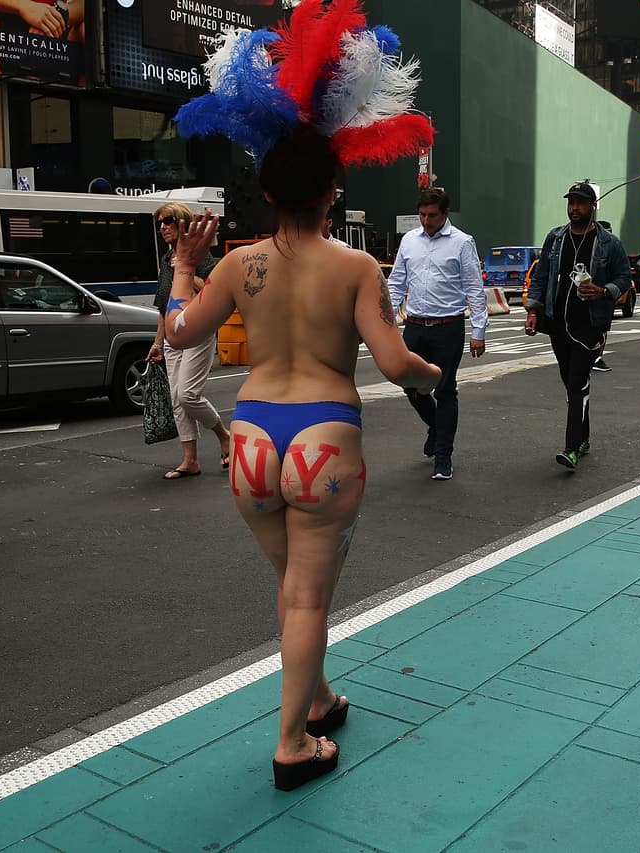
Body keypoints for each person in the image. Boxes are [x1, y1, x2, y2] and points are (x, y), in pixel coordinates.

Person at [167, 0, 439, 791]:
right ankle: (294, 741)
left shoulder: (237, 264)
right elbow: (392, 363)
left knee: (292, 588)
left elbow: (180, 334)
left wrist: (185, 263)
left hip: (250, 439)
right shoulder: (357, 267)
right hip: (323, 437)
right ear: (331, 185)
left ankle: (315, 694)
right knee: (312, 597)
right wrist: (432, 373)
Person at [523, 180, 631, 470]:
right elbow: (542, 275)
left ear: (592, 206)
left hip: (591, 324)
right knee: (572, 384)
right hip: (558, 322)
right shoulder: (555, 238)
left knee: (576, 382)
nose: (574, 208)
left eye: (581, 202)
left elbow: (624, 278)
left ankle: (571, 448)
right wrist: (533, 310)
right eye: (571, 202)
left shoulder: (609, 242)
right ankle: (583, 438)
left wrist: (603, 290)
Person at [386, 187, 487, 481]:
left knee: (444, 390)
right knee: (409, 385)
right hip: (415, 327)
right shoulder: (409, 240)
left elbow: (474, 288)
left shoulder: (462, 243)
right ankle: (435, 426)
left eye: (432, 215)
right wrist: (388, 318)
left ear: (445, 214)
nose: (426, 220)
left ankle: (443, 456)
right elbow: (396, 283)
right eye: (422, 215)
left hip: (448, 327)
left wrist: (478, 331)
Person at [147, 202, 231, 479]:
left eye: (169, 221)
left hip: (197, 330)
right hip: (172, 334)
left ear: (182, 223)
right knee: (176, 399)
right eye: (160, 222)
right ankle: (190, 460)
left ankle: (224, 435)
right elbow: (163, 305)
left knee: (188, 395)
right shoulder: (164, 259)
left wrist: (185, 269)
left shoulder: (201, 253)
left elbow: (213, 292)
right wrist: (158, 342)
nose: (163, 227)